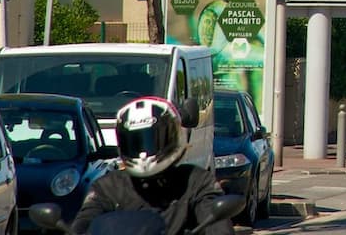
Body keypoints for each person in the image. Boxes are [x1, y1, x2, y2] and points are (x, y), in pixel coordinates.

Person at [72, 97, 233, 235]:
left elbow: (217, 223)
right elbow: (84, 223)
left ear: (173, 136)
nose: (143, 153)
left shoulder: (196, 181)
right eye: (135, 142)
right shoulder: (107, 187)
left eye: (151, 140)